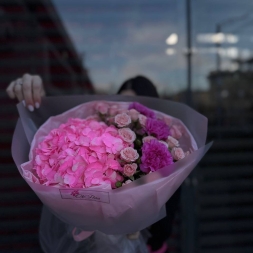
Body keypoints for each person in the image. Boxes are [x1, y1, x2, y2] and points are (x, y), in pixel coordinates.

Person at [6, 74, 181, 253]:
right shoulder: (100, 138)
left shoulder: (167, 163)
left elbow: (162, 232)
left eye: (136, 108)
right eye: (123, 104)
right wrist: (34, 96)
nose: (130, 113)